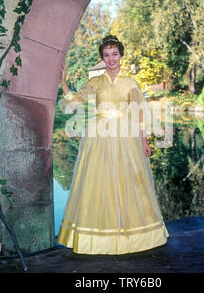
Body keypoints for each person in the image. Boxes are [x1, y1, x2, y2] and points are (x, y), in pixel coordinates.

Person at [57, 35, 169, 255]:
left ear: (121, 55)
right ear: (102, 57)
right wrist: (63, 82)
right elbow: (74, 102)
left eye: (114, 54)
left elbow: (139, 114)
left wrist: (144, 140)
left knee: (127, 181)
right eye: (106, 55)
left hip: (125, 135)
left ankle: (134, 235)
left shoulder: (130, 83)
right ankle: (98, 238)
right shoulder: (95, 82)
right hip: (98, 137)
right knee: (98, 182)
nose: (111, 59)